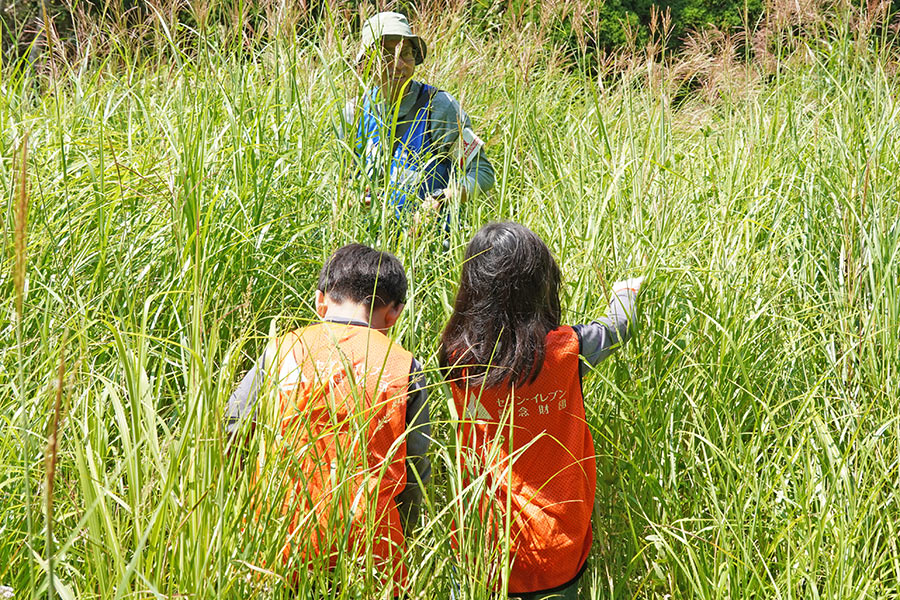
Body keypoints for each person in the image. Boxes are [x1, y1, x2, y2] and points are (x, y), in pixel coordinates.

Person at [438, 222, 644, 599]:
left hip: (482, 545)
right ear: (540, 285)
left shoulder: (456, 357)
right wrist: (626, 292)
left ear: (473, 289)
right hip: (558, 546)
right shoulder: (567, 350)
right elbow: (620, 326)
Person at [226, 243, 430, 589]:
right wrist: (407, 532)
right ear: (394, 313)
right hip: (369, 549)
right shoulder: (403, 366)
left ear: (321, 300)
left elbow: (234, 424)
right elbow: (416, 468)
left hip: (280, 536)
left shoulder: (284, 349)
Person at [345, 11, 495, 225]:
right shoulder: (355, 112)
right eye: (386, 55)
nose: (398, 65)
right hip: (371, 247)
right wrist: (354, 198)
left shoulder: (439, 108)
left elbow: (482, 172)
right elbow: (344, 180)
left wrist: (442, 199)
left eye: (405, 53)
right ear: (366, 62)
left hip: (430, 246)